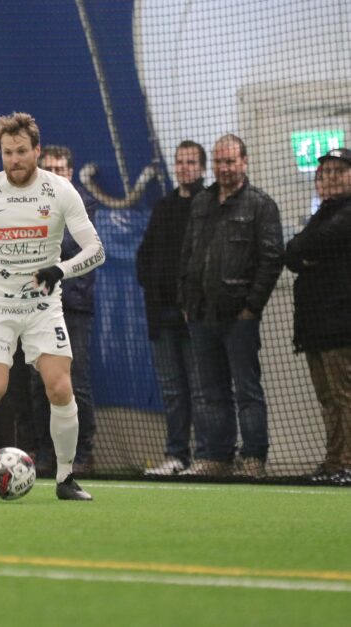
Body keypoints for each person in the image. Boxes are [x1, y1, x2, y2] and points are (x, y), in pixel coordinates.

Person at [0, 112, 105, 500]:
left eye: (22, 151)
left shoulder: (60, 191)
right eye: (8, 152)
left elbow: (96, 250)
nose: (15, 159)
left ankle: (65, 478)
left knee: (61, 388)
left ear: (37, 150)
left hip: (42, 307)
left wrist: (60, 270)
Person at [178, 134, 284, 478]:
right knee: (211, 392)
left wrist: (251, 306)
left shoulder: (261, 205)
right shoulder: (201, 202)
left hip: (239, 318)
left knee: (247, 391)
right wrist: (186, 301)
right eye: (219, 162)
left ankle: (253, 459)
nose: (223, 168)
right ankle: (216, 457)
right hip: (200, 314)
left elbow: (272, 259)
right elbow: (188, 254)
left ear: (244, 162)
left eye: (230, 161)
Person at [136, 141, 206, 475]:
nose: (184, 168)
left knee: (202, 388)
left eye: (191, 162)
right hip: (162, 317)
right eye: (180, 162)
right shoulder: (163, 206)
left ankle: (207, 455)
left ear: (202, 168)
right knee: (173, 390)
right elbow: (144, 257)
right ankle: (177, 455)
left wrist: (190, 300)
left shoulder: (208, 205)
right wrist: (155, 292)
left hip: (195, 317)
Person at [31, 145, 100, 475]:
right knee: (38, 383)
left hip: (73, 307)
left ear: (70, 173)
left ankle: (82, 453)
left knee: (76, 381)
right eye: (49, 169)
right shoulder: (29, 201)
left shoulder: (83, 203)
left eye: (60, 169)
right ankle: (46, 452)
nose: (54, 175)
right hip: (36, 307)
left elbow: (71, 245)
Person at [285, 147, 351, 485]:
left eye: (339, 171)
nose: (331, 178)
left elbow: (312, 244)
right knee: (327, 398)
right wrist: (304, 251)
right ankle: (334, 462)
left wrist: (305, 250)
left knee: (344, 396)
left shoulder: (345, 214)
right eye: (325, 173)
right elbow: (292, 254)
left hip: (341, 325)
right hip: (315, 326)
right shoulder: (322, 214)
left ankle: (348, 463)